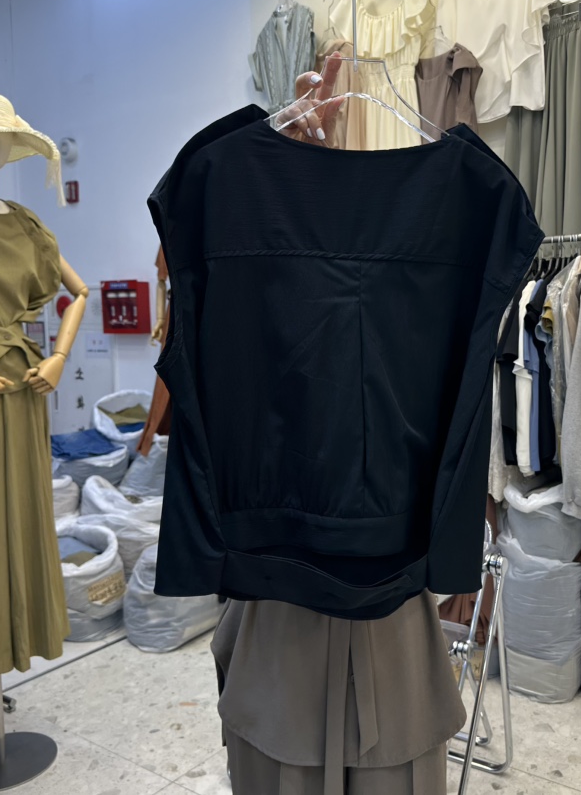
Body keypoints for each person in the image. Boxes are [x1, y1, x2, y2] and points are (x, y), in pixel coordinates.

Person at [210, 63, 467, 795]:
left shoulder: (450, 206)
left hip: (388, 586)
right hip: (279, 582)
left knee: (382, 754)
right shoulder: (242, 200)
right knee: (283, 751)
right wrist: (278, 161)